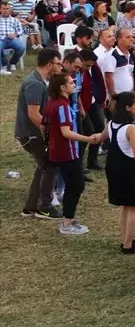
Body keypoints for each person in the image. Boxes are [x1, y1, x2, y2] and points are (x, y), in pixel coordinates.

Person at [44, 71, 98, 236]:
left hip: (60, 150)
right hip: (67, 152)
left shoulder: (53, 102)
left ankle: (68, 219)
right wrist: (87, 138)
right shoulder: (62, 106)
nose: (74, 85)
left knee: (74, 184)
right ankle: (67, 222)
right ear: (62, 87)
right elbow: (66, 132)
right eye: (71, 83)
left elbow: (43, 123)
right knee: (76, 185)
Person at [17, 48, 64, 219]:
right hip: (32, 134)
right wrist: (49, 133)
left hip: (35, 133)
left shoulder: (42, 81)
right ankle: (44, 206)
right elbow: (33, 114)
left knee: (44, 167)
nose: (60, 67)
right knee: (48, 166)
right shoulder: (34, 84)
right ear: (49, 64)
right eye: (58, 64)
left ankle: (31, 207)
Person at [101, 91, 135, 254]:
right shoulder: (131, 129)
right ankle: (128, 245)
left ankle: (125, 239)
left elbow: (99, 138)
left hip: (113, 167)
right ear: (127, 108)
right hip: (126, 169)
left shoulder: (112, 124)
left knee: (126, 207)